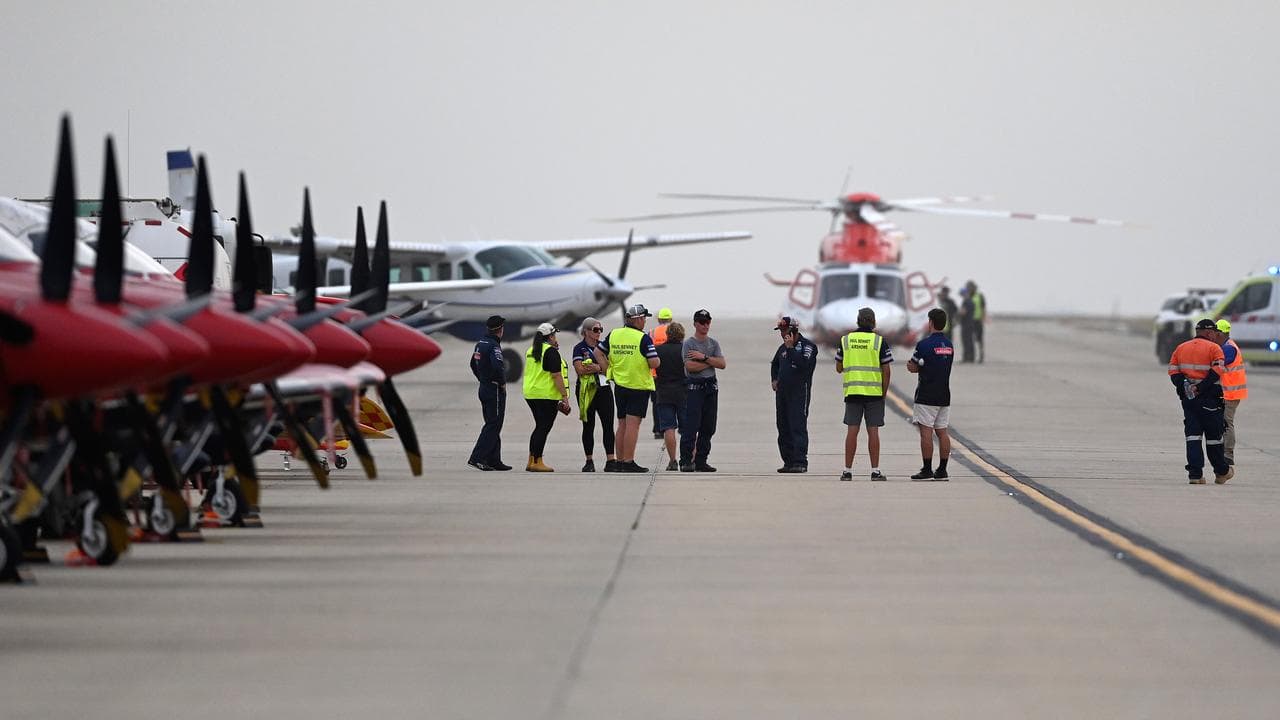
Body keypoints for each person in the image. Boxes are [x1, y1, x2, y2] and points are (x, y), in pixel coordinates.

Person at [1168, 318, 1232, 484]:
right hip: (1210, 400)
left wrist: (1186, 385)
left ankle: (1195, 475)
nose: (1215, 336)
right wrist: (1200, 387)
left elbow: (1173, 371)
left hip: (1189, 401)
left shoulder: (1181, 348)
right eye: (1215, 333)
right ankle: (1221, 472)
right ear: (1210, 333)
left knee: (1193, 437)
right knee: (1214, 438)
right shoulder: (1214, 348)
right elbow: (1217, 371)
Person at [836, 307, 893, 481]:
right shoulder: (879, 341)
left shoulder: (846, 340)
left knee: (852, 431)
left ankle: (847, 471)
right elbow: (886, 371)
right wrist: (883, 394)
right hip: (874, 394)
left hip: (853, 392)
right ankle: (875, 471)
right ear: (874, 322)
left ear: (858, 321)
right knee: (873, 432)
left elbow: (839, 367)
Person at [602, 304, 660, 472]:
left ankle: (620, 461)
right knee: (633, 425)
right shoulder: (643, 338)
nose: (645, 321)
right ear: (638, 319)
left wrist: (608, 371)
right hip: (638, 386)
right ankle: (628, 462)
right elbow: (654, 362)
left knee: (622, 424)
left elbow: (598, 352)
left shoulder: (614, 334)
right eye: (644, 318)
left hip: (619, 385)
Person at [907, 308, 955, 481]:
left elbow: (913, 366)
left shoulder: (924, 345)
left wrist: (914, 366)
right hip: (944, 395)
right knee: (942, 432)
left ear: (931, 322)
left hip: (926, 395)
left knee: (926, 432)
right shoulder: (949, 345)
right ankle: (942, 469)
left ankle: (927, 469)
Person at [681, 308, 726, 472]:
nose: (705, 325)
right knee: (691, 426)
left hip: (710, 388)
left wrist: (704, 358)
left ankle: (701, 461)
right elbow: (690, 367)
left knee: (708, 427)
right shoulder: (689, 344)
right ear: (695, 324)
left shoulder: (713, 343)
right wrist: (710, 362)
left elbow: (722, 364)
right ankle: (686, 460)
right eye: (701, 322)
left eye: (707, 322)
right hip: (695, 388)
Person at [771, 315, 817, 473]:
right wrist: (774, 379)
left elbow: (804, 366)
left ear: (793, 330)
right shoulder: (782, 348)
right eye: (781, 331)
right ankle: (788, 461)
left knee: (797, 426)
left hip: (799, 393)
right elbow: (775, 364)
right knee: (783, 427)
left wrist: (791, 348)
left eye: (784, 331)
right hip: (782, 393)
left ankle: (800, 462)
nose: (782, 334)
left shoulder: (808, 346)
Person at [522, 322, 570, 472]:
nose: (556, 338)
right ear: (550, 337)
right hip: (546, 395)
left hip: (531, 393)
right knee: (543, 427)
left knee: (539, 427)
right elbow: (556, 376)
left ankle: (531, 460)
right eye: (554, 335)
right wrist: (564, 396)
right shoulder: (550, 352)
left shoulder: (531, 350)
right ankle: (537, 461)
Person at [467, 315, 512, 471]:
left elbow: (473, 364)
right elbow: (498, 366)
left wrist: (482, 379)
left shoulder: (481, 343)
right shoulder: (493, 346)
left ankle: (494, 459)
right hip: (494, 390)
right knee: (493, 425)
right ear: (500, 329)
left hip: (484, 387)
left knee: (493, 424)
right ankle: (477, 458)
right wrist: (502, 382)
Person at [573, 316, 615, 472]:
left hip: (604, 389)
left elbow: (610, 369)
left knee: (608, 425)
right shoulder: (579, 348)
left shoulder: (603, 347)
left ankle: (611, 460)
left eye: (600, 329)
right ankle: (589, 461)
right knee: (588, 426)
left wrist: (597, 368)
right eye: (596, 330)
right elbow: (580, 370)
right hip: (586, 390)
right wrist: (601, 367)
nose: (599, 332)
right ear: (586, 332)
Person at [654, 321, 688, 471]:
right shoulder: (685, 350)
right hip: (683, 392)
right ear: (682, 335)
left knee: (669, 428)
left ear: (667, 334)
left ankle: (672, 460)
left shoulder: (658, 350)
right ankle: (689, 459)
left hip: (664, 392)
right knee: (688, 428)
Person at [1215, 319, 1247, 467]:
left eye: (1215, 332)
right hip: (1228, 392)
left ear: (1220, 333)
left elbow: (1218, 365)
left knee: (1227, 423)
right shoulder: (1227, 346)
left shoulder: (1228, 348)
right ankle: (1225, 452)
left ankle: (1228, 454)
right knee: (1224, 422)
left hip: (1231, 393)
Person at [650, 307, 674, 438]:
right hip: (670, 372)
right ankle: (669, 427)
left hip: (654, 373)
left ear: (659, 319)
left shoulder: (652, 333)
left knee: (656, 402)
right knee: (671, 402)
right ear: (671, 319)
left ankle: (658, 430)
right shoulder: (674, 332)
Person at [966, 280, 987, 363]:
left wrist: (983, 318)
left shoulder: (979, 296)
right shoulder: (968, 297)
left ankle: (981, 356)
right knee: (970, 339)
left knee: (979, 339)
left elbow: (983, 307)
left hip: (978, 320)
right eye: (968, 287)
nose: (969, 289)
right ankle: (971, 357)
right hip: (970, 321)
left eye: (970, 287)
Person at [958, 285, 976, 363]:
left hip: (966, 324)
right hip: (970, 323)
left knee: (966, 341)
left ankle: (966, 358)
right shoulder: (971, 301)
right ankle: (971, 358)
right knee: (970, 341)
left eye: (962, 294)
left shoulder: (966, 301)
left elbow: (963, 312)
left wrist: (958, 313)